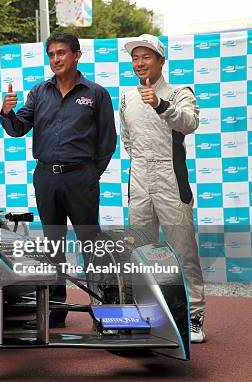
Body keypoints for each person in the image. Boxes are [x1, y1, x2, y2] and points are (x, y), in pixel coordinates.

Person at [0, 32, 116, 328]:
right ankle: (56, 311)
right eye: (51, 55)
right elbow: (17, 129)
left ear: (77, 55)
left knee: (90, 244)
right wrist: (7, 111)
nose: (56, 59)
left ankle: (102, 310)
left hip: (81, 178)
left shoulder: (96, 93)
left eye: (61, 53)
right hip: (46, 178)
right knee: (53, 246)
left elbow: (107, 142)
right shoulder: (39, 92)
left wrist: (90, 174)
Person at [120, 34, 206, 342]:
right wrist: (143, 164)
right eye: (135, 58)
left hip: (171, 179)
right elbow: (127, 139)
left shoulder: (179, 91)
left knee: (183, 251)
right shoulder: (127, 96)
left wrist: (160, 104)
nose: (139, 63)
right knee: (140, 251)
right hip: (139, 178)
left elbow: (189, 122)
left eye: (146, 57)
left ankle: (194, 317)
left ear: (161, 60)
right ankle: (147, 313)